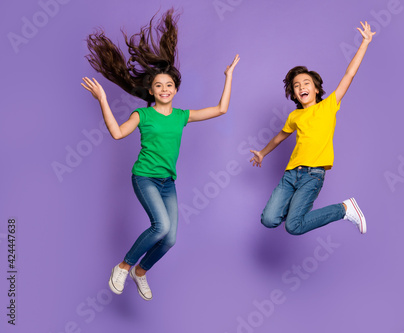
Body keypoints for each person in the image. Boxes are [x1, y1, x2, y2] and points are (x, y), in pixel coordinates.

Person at [81, 9, 240, 301]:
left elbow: (221, 109)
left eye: (169, 85)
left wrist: (228, 76)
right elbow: (117, 133)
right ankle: (124, 265)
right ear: (151, 91)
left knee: (170, 239)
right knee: (161, 226)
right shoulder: (142, 114)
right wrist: (103, 99)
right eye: (158, 85)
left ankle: (139, 273)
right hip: (145, 178)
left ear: (176, 90)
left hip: (168, 182)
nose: (164, 89)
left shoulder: (181, 116)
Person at [250, 21, 374, 236]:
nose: (301, 87)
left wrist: (364, 42)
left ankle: (344, 209)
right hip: (290, 174)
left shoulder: (328, 105)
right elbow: (279, 137)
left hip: (312, 175)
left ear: (316, 89)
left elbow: (349, 75)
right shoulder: (295, 115)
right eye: (296, 86)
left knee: (293, 227)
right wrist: (262, 153)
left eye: (306, 83)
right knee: (269, 220)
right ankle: (296, 211)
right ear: (294, 94)